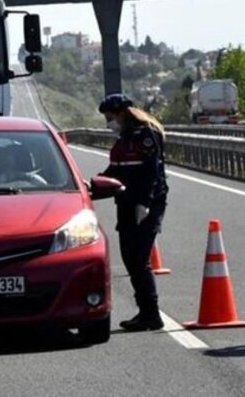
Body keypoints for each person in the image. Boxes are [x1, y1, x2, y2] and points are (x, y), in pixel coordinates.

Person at [97, 93, 169, 332]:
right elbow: (115, 170)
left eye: (110, 117)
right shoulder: (124, 137)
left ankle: (151, 314)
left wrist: (144, 203)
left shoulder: (145, 134)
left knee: (139, 259)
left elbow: (151, 171)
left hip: (146, 204)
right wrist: (93, 185)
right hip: (126, 203)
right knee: (129, 257)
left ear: (121, 113)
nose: (109, 123)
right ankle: (145, 312)